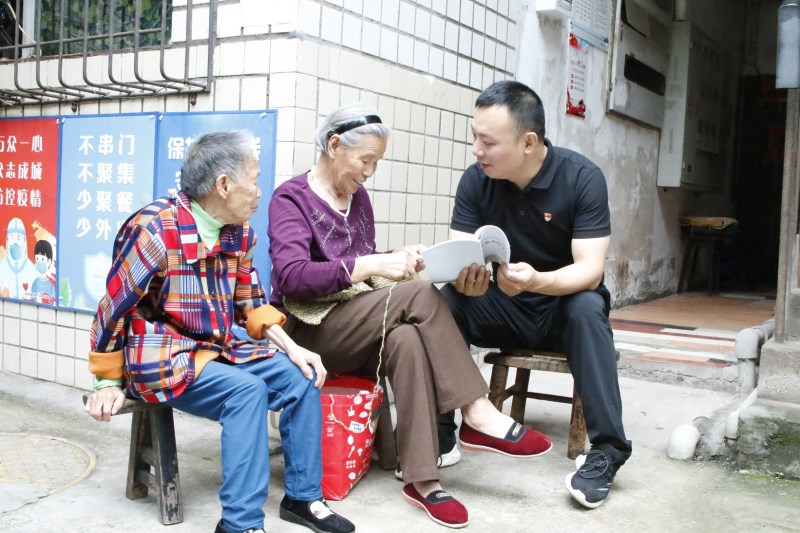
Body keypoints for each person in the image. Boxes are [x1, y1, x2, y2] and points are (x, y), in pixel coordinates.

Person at [268, 103, 552, 529]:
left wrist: (399, 258)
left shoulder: (357, 199)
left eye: (376, 163)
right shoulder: (291, 198)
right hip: (308, 333)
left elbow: (358, 268)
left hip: (354, 321)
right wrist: (374, 265)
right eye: (366, 160)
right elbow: (293, 278)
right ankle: (475, 411)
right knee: (418, 297)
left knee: (407, 339)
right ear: (333, 146)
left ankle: (423, 481)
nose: (370, 173)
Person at [83, 131, 355, 533]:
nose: (261, 192)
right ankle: (240, 524)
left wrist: (294, 349)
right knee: (246, 393)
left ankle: (302, 497)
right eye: (256, 179)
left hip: (214, 347)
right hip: (160, 354)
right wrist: (106, 380)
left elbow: (251, 303)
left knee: (301, 378)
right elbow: (113, 306)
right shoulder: (155, 230)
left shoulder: (240, 231)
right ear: (224, 185)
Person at [438, 80, 632, 509]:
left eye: (487, 141)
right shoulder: (476, 181)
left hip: (560, 312)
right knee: (443, 303)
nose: (476, 149)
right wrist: (462, 278)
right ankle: (443, 431)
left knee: (587, 306)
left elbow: (589, 269)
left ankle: (607, 452)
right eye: (474, 137)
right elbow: (459, 254)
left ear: (529, 142)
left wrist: (537, 281)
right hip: (504, 306)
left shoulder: (582, 179)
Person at [0, 217, 37, 299]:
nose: (15, 242)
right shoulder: (1, 267)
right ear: (7, 240)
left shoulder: (32, 270)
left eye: (18, 238)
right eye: (12, 238)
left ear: (24, 240)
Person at [31, 239, 57, 304]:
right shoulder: (35, 283)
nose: (39, 262)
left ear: (49, 261)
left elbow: (53, 302)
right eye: (37, 259)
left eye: (42, 259)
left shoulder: (52, 284)